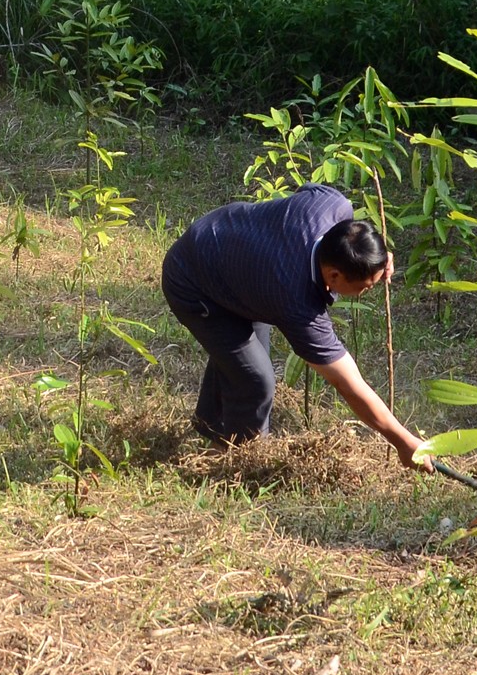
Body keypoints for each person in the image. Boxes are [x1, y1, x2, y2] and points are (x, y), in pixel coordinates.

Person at [160, 183, 436, 469]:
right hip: (192, 279)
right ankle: (234, 465)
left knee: (242, 362)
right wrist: (404, 441)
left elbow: (309, 190)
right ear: (334, 274)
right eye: (364, 287)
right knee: (255, 379)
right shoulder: (294, 299)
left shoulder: (334, 206)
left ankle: (216, 433)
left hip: (233, 246)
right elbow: (347, 383)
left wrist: (378, 257)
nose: (367, 291)